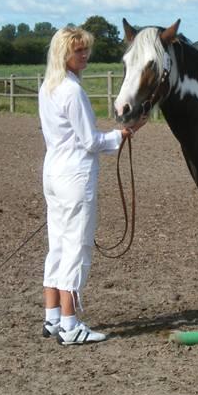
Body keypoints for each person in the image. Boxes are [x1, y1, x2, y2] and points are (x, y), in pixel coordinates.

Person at [38, 25, 140, 346]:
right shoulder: (71, 91)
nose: (85, 56)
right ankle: (70, 324)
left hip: (54, 173)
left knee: (57, 244)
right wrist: (122, 134)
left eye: (85, 50)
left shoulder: (48, 86)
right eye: (78, 50)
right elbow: (90, 141)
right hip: (74, 177)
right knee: (76, 249)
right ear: (64, 53)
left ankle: (52, 317)